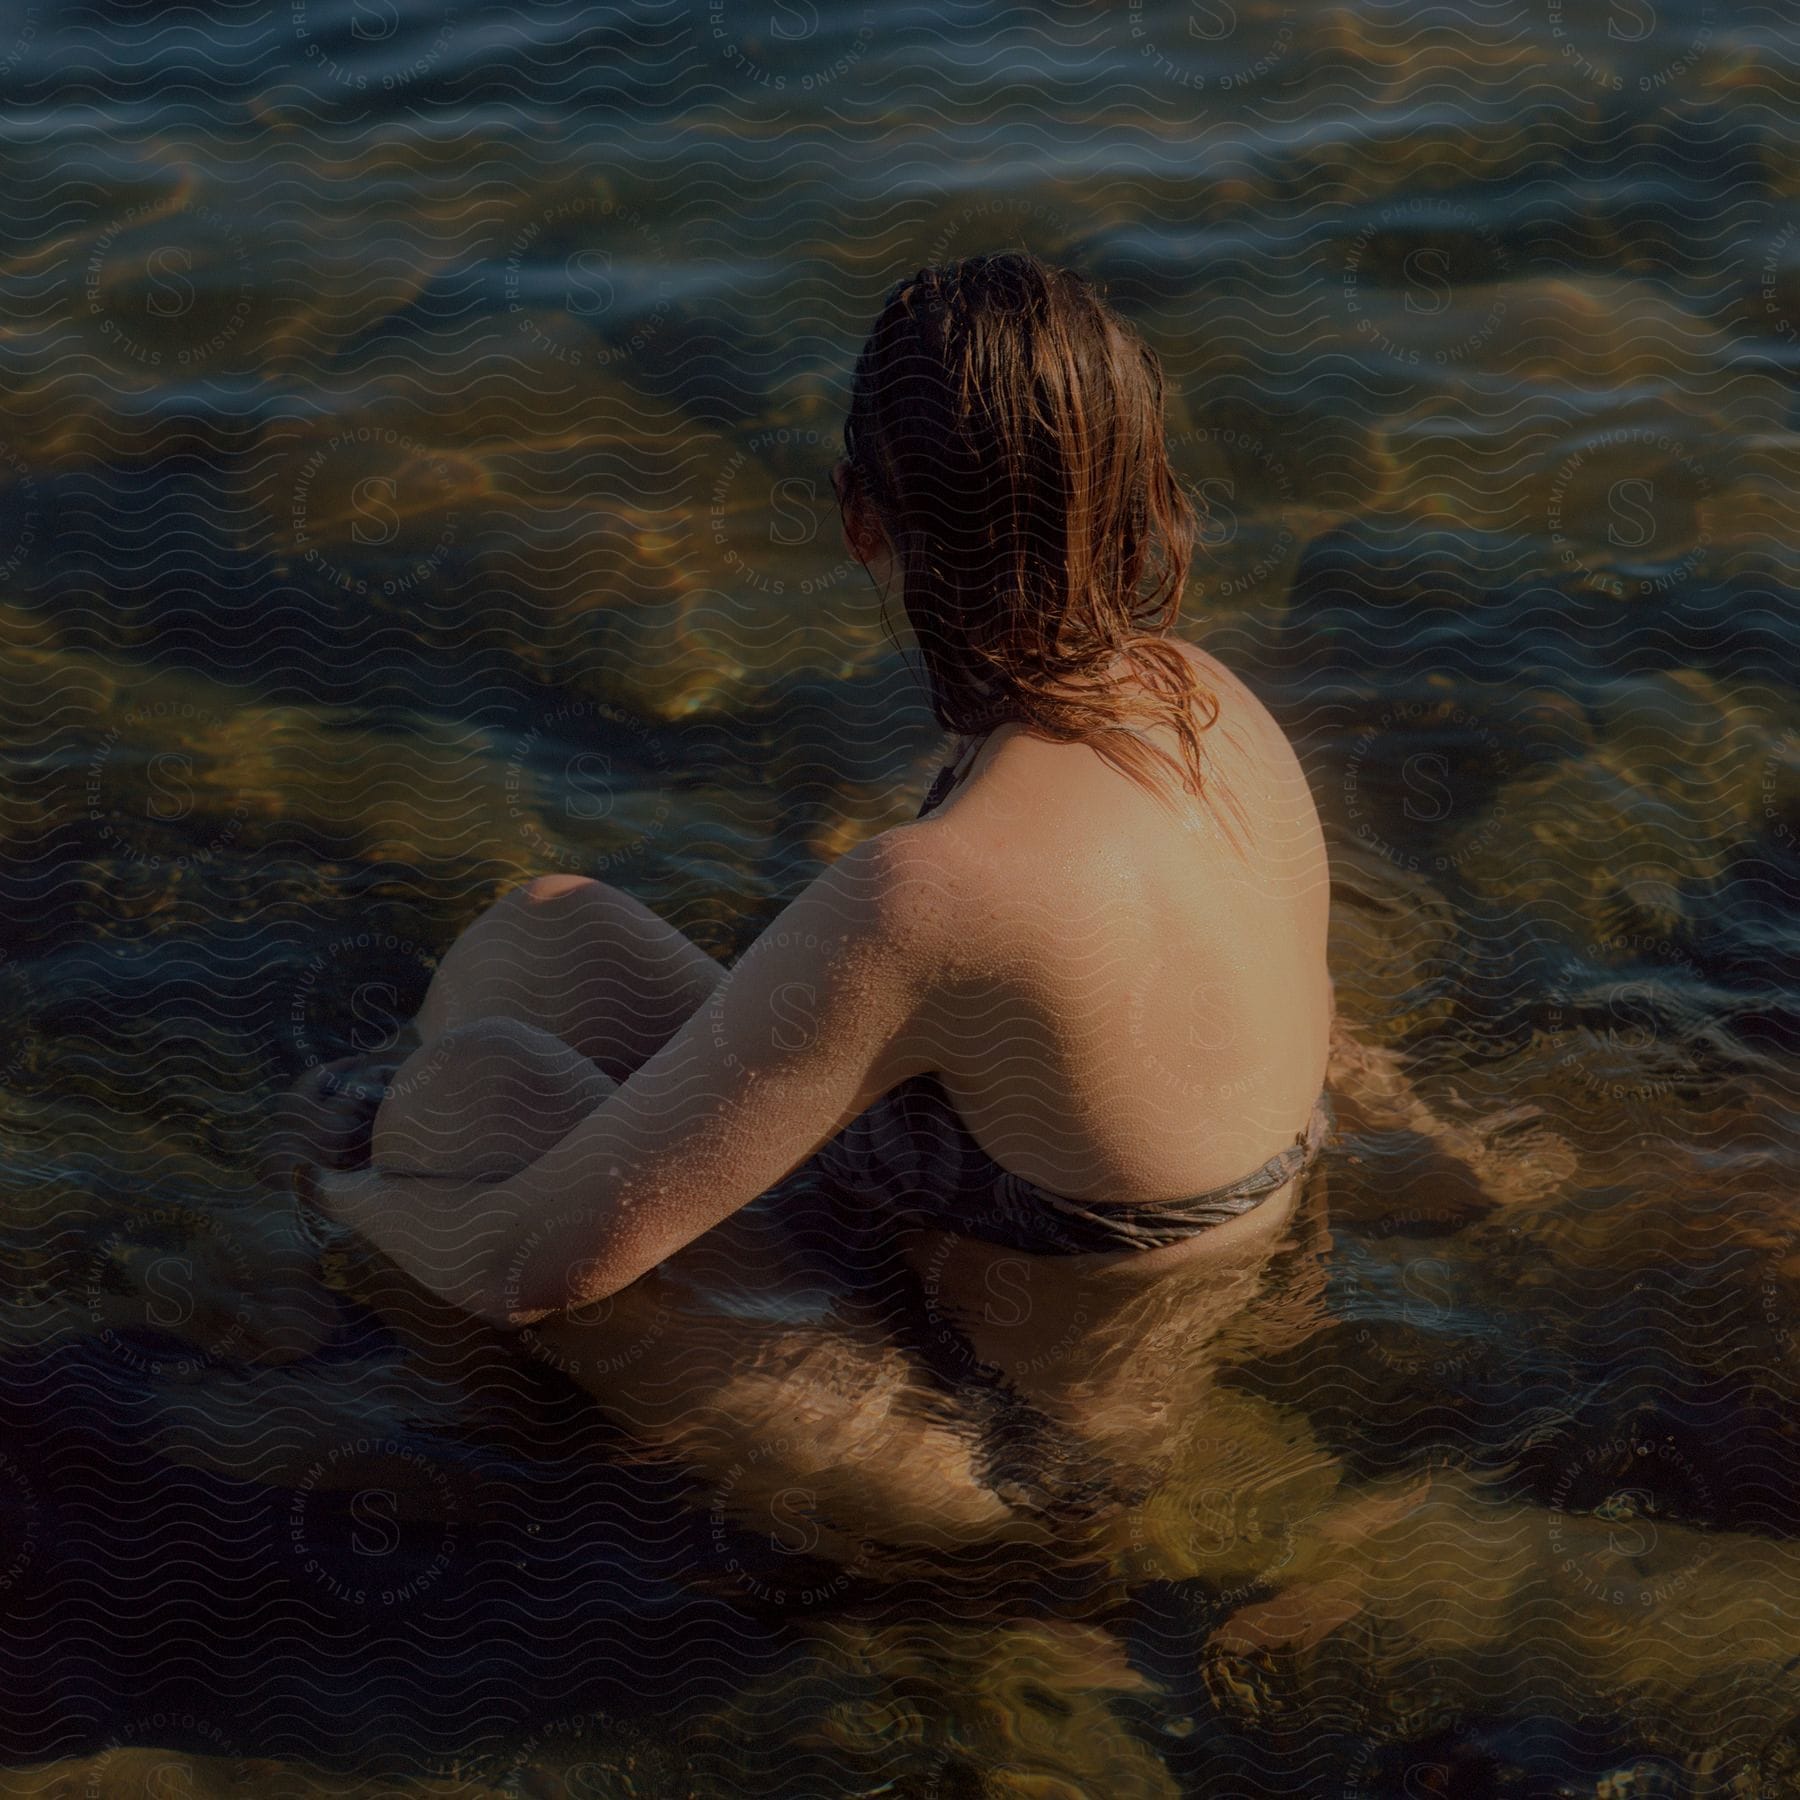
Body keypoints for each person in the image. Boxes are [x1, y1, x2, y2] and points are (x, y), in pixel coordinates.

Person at [279, 250, 1337, 1545]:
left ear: (862, 520)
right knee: (544, 937)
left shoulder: (934, 891)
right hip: (1011, 1287)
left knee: (466, 1110)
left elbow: (526, 1272)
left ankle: (358, 1399)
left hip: (1015, 1464)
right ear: (1136, 482)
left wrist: (326, 1191)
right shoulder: (1214, 708)